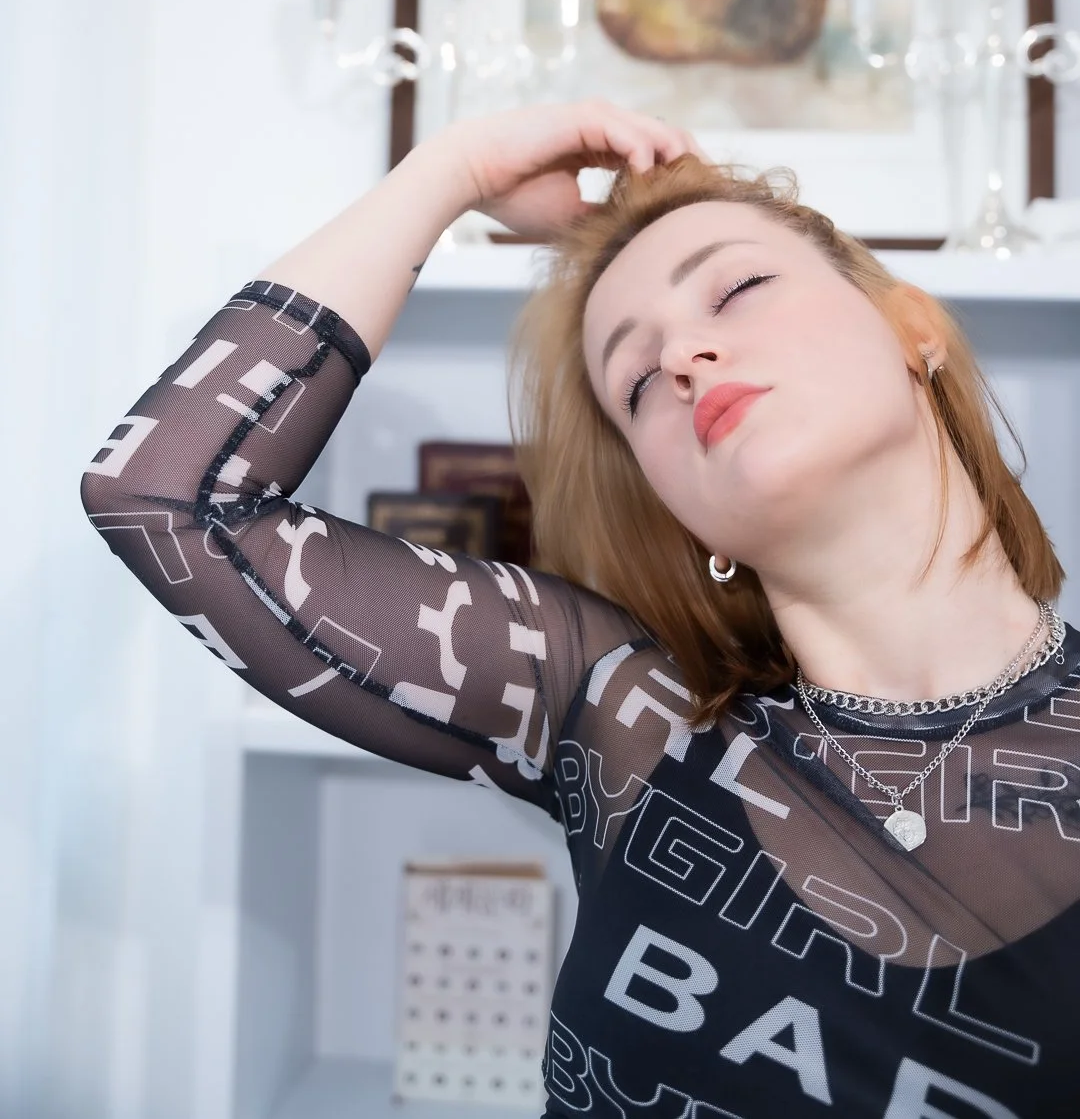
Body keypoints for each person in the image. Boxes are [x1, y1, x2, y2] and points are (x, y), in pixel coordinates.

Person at [80, 98, 1078, 1118]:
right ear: (680, 509)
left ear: (914, 331)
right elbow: (164, 497)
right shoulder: (620, 710)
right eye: (636, 381)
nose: (682, 359)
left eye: (739, 288)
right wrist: (454, 169)